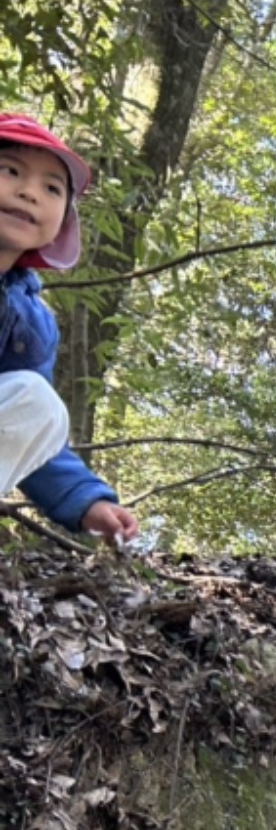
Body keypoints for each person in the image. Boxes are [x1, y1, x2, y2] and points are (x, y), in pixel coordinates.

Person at [0, 115, 138, 544]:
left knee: (38, 401)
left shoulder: (31, 324)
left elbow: (21, 422)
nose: (29, 192)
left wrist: (86, 500)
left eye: (52, 189)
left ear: (63, 221)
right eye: (10, 171)